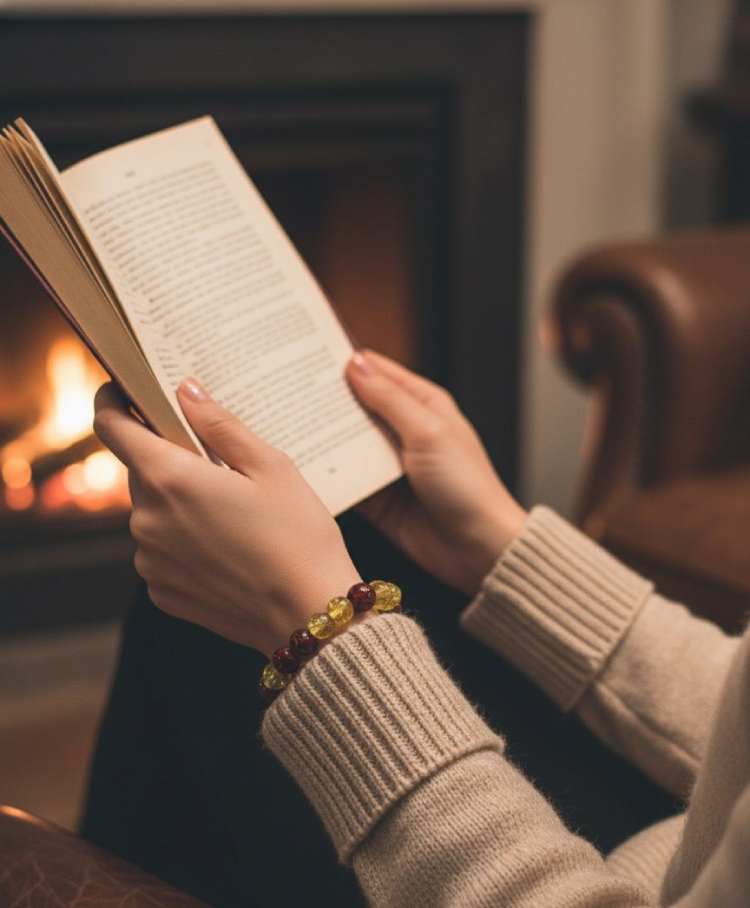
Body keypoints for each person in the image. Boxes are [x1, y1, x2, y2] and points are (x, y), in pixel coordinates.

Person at [90, 349, 749, 907]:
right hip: (690, 840)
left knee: (202, 628)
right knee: (332, 539)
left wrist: (323, 643)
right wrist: (504, 547)